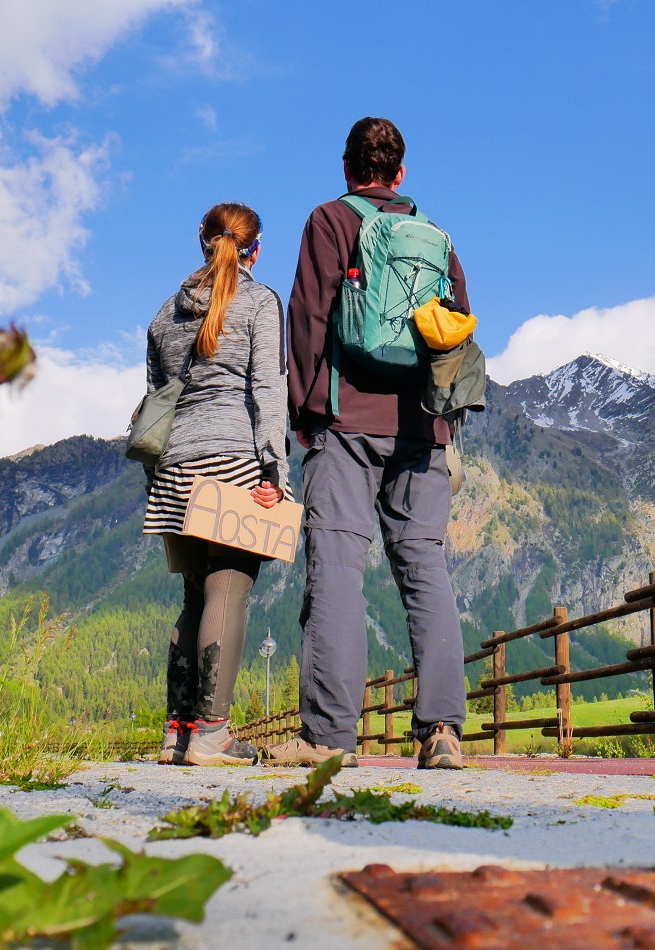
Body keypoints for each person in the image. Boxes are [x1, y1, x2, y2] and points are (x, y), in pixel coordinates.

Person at [267, 117, 468, 771]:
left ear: (347, 166)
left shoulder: (329, 221)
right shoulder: (434, 235)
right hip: (422, 429)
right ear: (400, 173)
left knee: (336, 571)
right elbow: (456, 323)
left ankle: (329, 736)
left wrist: (305, 410)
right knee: (427, 573)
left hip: (346, 422)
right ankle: (442, 731)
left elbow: (308, 317)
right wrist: (446, 422)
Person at [143, 202, 287, 767]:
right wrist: (275, 469)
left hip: (175, 464)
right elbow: (267, 392)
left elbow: (154, 402)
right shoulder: (259, 303)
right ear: (256, 248)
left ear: (199, 239)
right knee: (228, 590)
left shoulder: (163, 315)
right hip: (233, 461)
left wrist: (161, 474)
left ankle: (175, 732)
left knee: (193, 596)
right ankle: (211, 734)